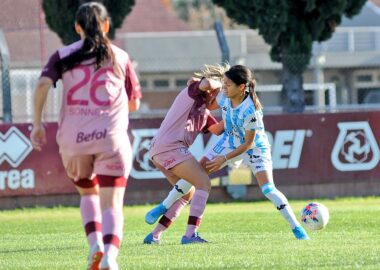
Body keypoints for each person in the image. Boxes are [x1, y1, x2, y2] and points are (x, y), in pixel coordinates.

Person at [30, 2, 142, 270]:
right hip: (110, 138)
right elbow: (134, 103)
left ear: (77, 27)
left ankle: (95, 245)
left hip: (73, 140)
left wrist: (37, 124)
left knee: (88, 193)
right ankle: (111, 258)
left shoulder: (62, 55)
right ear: (106, 25)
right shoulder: (120, 57)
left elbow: (43, 84)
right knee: (112, 202)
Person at [146, 65, 309, 241]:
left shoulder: (251, 111)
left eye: (227, 85)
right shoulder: (223, 95)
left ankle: (296, 227)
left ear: (241, 87)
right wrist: (202, 87)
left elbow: (248, 142)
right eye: (223, 84)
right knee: (198, 178)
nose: (223, 89)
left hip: (254, 147)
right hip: (228, 143)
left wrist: (223, 158)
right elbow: (209, 104)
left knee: (268, 188)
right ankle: (167, 212)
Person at [143, 64, 228, 245]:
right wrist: (220, 85)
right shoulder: (195, 91)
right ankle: (190, 235)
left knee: (186, 194)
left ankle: (154, 235)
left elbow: (218, 129)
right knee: (203, 182)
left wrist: (235, 113)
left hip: (160, 150)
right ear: (215, 92)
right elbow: (206, 82)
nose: (222, 101)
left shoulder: (204, 110)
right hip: (171, 147)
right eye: (222, 97)